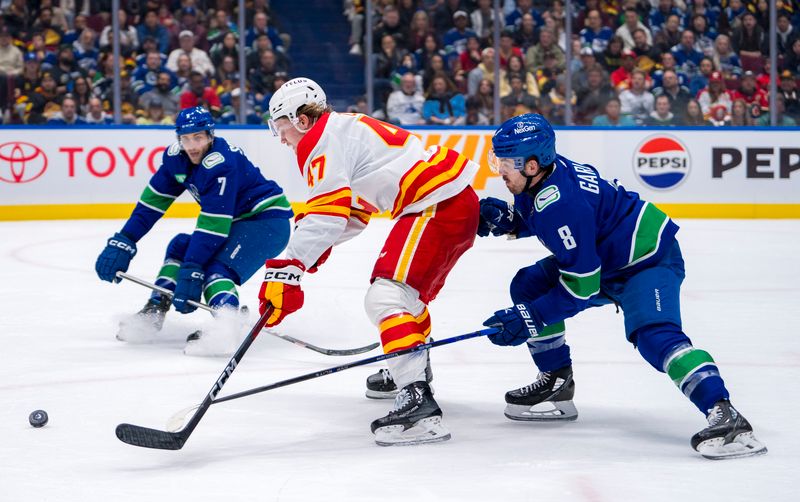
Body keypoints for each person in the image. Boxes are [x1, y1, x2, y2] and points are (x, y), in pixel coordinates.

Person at [476, 113, 766, 460]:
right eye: (498, 160)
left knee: (653, 336)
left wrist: (532, 318)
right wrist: (512, 220)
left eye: (506, 163)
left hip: (648, 261)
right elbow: (555, 218)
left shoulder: (561, 201)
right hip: (608, 260)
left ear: (533, 164)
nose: (500, 170)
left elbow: (581, 286)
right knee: (529, 284)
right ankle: (556, 382)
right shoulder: (542, 178)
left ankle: (725, 414)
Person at [262, 77, 480, 446]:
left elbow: (327, 215)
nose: (280, 137)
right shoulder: (342, 129)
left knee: (386, 297)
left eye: (280, 125)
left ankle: (417, 402)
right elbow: (353, 213)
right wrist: (313, 251)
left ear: (301, 119)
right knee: (404, 297)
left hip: (436, 206)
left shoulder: (318, 141)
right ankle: (412, 370)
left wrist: (288, 270)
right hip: (448, 203)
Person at [94, 107, 293, 344]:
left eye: (198, 137)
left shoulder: (221, 163)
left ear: (210, 135)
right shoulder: (176, 160)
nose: (192, 145)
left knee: (215, 270)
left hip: (267, 223)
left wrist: (193, 267)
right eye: (186, 138)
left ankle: (226, 327)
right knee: (180, 247)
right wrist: (125, 240)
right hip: (238, 221)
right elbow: (151, 205)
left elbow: (213, 226)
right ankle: (155, 309)